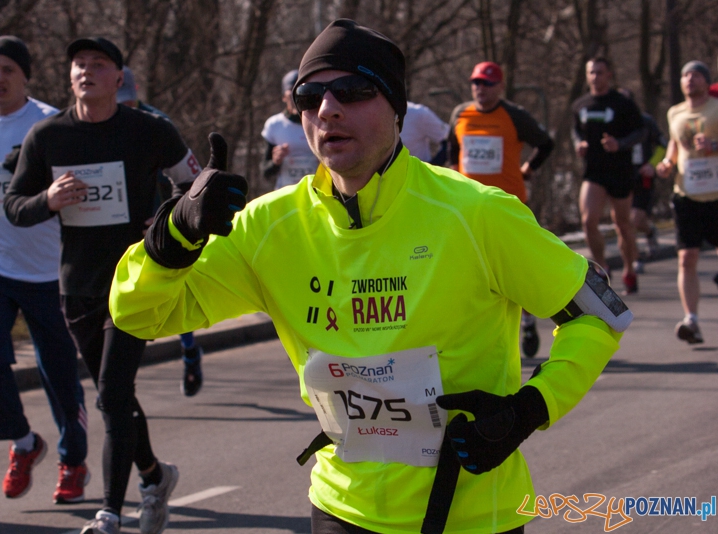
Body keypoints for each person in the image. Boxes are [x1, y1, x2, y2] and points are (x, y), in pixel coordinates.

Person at [110, 19, 629, 534]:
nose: (327, 109)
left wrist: (527, 411)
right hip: (341, 510)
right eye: (309, 96)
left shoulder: (477, 214)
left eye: (353, 91)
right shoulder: (266, 228)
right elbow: (138, 314)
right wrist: (171, 238)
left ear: (397, 109)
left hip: (468, 515)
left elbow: (598, 317)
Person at [4, 37, 201, 534]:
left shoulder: (150, 131)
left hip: (135, 281)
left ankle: (110, 513)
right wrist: (47, 199)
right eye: (79, 65)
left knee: (113, 395)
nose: (87, 71)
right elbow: (14, 205)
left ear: (119, 78)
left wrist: (164, 222)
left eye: (99, 64)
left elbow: (195, 185)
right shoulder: (47, 137)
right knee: (117, 398)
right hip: (77, 285)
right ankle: (155, 477)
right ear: (69, 78)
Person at [0, 35, 88, 504]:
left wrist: (32, 177)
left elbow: (76, 187)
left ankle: (73, 459)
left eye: (7, 69)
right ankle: (24, 442)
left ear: (24, 76)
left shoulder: (48, 122)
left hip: (45, 268)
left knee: (58, 374)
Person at [448, 61, 555, 358]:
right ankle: (477, 331)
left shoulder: (515, 116)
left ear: (500, 87)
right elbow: (451, 152)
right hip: (468, 207)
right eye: (476, 83)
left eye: (487, 83)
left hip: (508, 204)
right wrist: (453, 178)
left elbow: (546, 144)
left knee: (515, 267)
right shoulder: (460, 114)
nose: (480, 89)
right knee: (471, 271)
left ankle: (529, 320)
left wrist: (529, 168)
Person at [116, 66, 204, 397]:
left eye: (130, 103)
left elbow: (185, 180)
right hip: (117, 219)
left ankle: (190, 349)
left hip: (154, 213)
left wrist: (166, 220)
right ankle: (124, 384)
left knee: (169, 291)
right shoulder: (97, 123)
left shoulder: (156, 124)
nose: (125, 110)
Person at [656, 60, 718, 344]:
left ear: (706, 81)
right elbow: (674, 144)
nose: (689, 79)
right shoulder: (675, 112)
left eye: (695, 75)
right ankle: (691, 320)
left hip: (716, 193)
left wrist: (714, 146)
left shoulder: (716, 107)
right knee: (686, 257)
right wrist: (668, 163)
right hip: (687, 192)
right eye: (684, 75)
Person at [572, 57, 645, 294]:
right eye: (591, 72)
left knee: (622, 224)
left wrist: (620, 144)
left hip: (620, 171)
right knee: (588, 220)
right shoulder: (581, 105)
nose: (595, 77)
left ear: (609, 75)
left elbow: (641, 131)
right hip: (594, 171)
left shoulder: (622, 103)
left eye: (600, 72)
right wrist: (578, 143)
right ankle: (602, 268)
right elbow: (575, 131)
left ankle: (629, 269)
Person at [616, 89, 667, 274]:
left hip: (642, 177)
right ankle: (634, 260)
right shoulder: (613, 123)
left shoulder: (645, 121)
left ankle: (650, 231)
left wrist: (652, 165)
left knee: (636, 220)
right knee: (623, 224)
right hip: (621, 178)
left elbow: (663, 145)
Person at [261, 69, 320, 190]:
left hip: (319, 194)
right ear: (283, 97)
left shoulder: (321, 121)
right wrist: (275, 161)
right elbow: (265, 171)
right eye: (291, 93)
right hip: (286, 195)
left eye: (300, 92)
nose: (296, 98)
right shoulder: (275, 125)